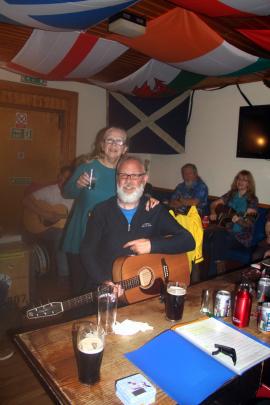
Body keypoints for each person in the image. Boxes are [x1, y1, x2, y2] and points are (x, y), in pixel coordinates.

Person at [80, 155, 195, 292]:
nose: (128, 181)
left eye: (134, 176)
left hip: (145, 292)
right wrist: (104, 281)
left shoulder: (154, 210)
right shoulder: (101, 211)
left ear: (144, 179)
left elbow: (188, 240)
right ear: (117, 179)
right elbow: (87, 251)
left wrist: (151, 245)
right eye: (124, 175)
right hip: (110, 289)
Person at [62, 126, 128, 295]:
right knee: (79, 289)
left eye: (119, 141)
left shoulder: (126, 172)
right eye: (109, 140)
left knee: (104, 289)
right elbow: (67, 192)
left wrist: (149, 201)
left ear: (125, 148)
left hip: (109, 239)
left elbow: (134, 198)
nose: (114, 144)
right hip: (82, 233)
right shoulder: (88, 167)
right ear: (102, 145)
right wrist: (77, 185)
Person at [204, 170, 258, 276]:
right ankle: (217, 272)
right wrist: (213, 212)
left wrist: (238, 220)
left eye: (244, 180)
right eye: (239, 179)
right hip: (226, 231)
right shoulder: (231, 194)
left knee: (219, 237)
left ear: (249, 183)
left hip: (241, 236)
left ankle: (212, 274)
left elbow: (249, 223)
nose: (240, 182)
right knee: (211, 236)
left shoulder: (252, 200)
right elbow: (214, 204)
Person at [22, 166, 73, 278]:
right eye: (62, 178)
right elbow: (26, 200)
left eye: (67, 179)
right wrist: (43, 213)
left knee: (66, 232)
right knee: (61, 235)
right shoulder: (51, 190)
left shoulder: (75, 195)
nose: (63, 181)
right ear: (59, 176)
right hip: (41, 227)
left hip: (62, 227)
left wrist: (59, 216)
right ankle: (64, 276)